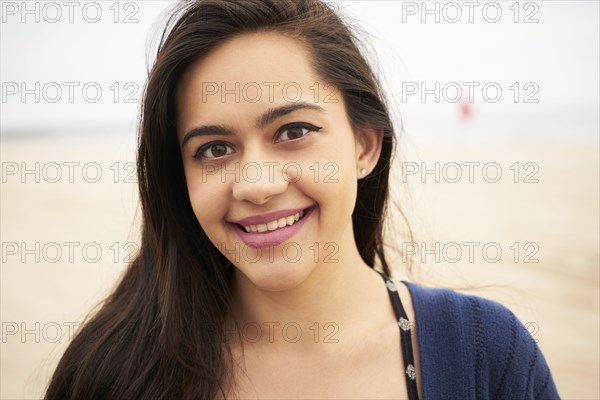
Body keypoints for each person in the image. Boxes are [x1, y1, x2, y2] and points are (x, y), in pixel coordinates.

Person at [44, 0, 560, 399]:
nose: (256, 183)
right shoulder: (111, 373)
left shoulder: (486, 356)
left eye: (293, 130)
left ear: (364, 144)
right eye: (215, 148)